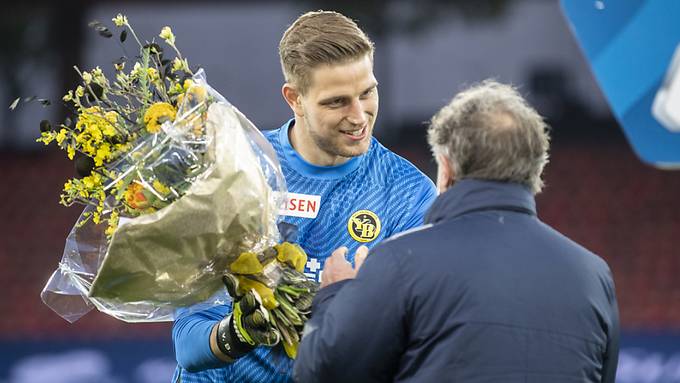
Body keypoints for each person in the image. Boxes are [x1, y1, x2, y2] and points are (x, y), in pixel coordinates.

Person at [171, 10, 437, 383]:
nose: (359, 115)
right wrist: (239, 332)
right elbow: (187, 344)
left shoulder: (409, 196)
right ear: (294, 98)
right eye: (337, 102)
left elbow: (409, 345)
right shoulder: (238, 169)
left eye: (367, 92)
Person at [294, 80, 620, 383]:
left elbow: (322, 371)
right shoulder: (594, 275)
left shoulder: (400, 261)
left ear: (447, 167)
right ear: (536, 169)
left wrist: (334, 297)